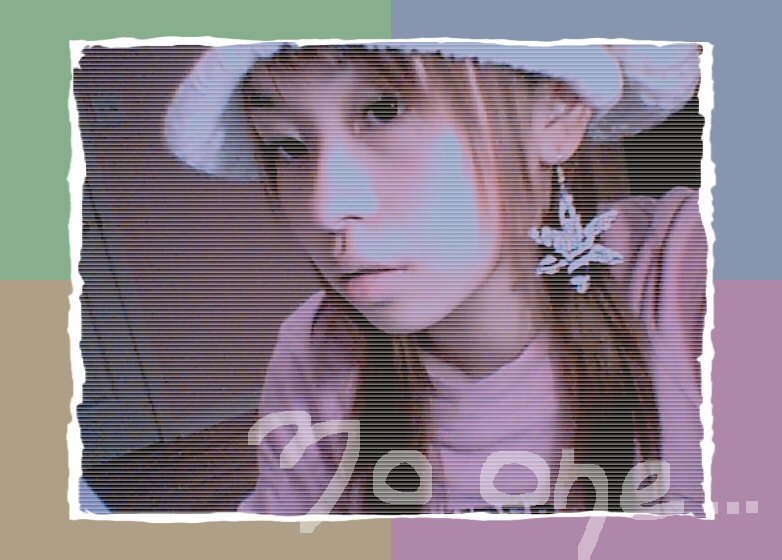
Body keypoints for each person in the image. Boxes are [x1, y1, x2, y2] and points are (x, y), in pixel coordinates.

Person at [164, 40, 707, 516]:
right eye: (286, 145)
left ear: (556, 111)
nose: (324, 206)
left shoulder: (686, 274)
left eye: (383, 111)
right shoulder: (315, 354)